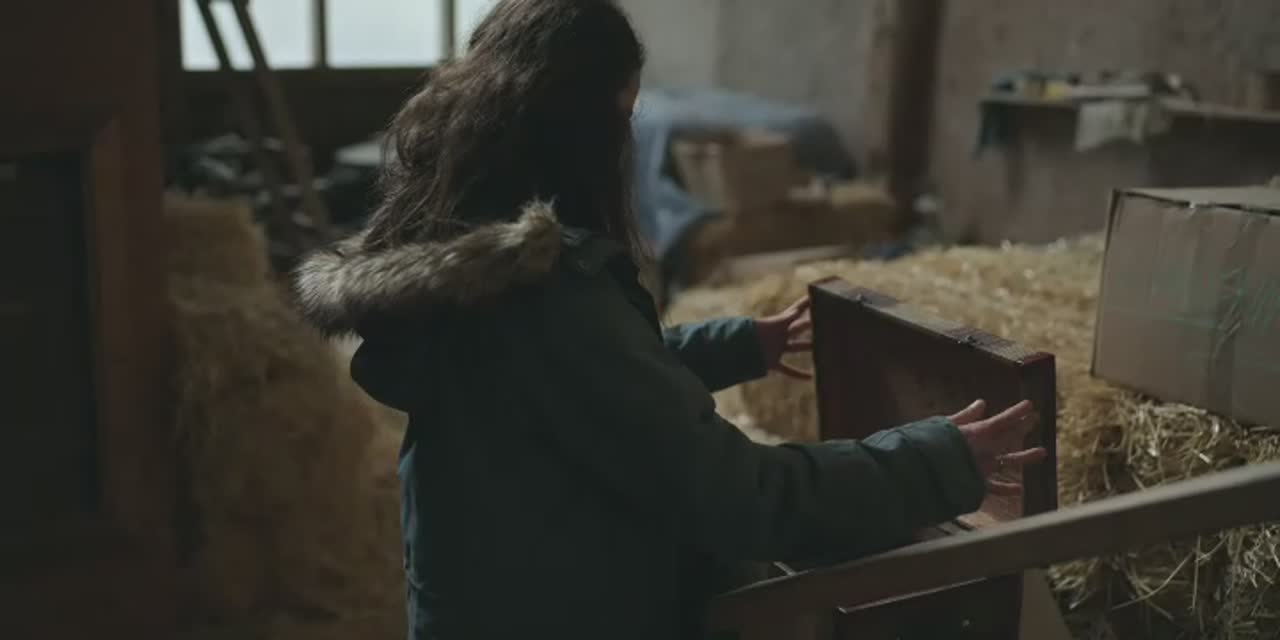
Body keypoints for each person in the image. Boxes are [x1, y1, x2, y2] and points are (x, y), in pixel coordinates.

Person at [292, 1, 1046, 638]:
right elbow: (738, 496)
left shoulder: (468, 266)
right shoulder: (550, 297)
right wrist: (936, 461)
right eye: (624, 116)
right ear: (575, 127)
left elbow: (576, 387)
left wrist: (733, 344)